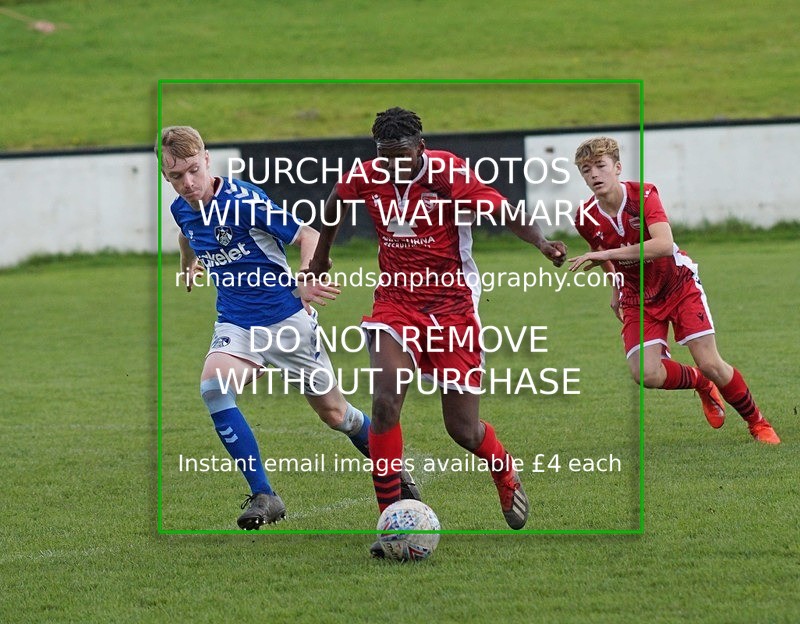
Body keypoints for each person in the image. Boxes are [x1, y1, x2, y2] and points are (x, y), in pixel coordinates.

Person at [307, 107, 567, 556]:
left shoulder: (448, 173)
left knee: (462, 430)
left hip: (452, 306)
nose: (394, 166)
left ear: (421, 148)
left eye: (403, 156)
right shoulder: (367, 175)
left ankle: (503, 469)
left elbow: (502, 210)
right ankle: (390, 520)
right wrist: (321, 257)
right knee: (385, 403)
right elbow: (334, 201)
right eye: (386, 157)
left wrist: (542, 242)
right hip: (395, 301)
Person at [160, 126, 419, 530]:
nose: (187, 183)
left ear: (207, 159)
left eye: (193, 170)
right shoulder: (182, 207)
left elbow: (307, 235)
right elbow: (186, 233)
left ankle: (393, 468)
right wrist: (187, 264)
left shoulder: (244, 202)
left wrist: (307, 277)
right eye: (176, 177)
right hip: (236, 323)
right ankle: (265, 493)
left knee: (336, 415)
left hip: (287, 322)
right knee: (213, 386)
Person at [567, 136, 780, 444]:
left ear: (617, 167)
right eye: (586, 170)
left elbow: (663, 245)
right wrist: (615, 288)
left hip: (678, 284)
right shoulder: (585, 217)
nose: (594, 175)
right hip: (638, 296)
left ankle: (757, 422)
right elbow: (602, 255)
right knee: (646, 374)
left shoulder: (644, 194)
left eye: (600, 166)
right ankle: (701, 384)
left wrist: (604, 255)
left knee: (711, 363)